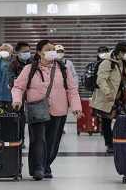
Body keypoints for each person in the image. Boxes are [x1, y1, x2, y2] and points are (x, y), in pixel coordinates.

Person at [12, 40, 82, 181]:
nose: (52, 51)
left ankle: (46, 165)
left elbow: (72, 90)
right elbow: (18, 87)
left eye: (53, 49)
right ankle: (38, 169)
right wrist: (17, 100)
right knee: (38, 140)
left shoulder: (63, 68)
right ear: (39, 52)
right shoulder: (29, 69)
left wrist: (76, 107)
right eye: (48, 49)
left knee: (52, 142)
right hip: (36, 109)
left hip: (59, 110)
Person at [91, 42, 126, 154]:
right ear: (120, 52)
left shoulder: (125, 62)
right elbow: (101, 79)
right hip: (108, 97)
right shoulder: (107, 62)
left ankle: (119, 141)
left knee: (121, 120)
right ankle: (109, 144)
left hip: (120, 96)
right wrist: (107, 92)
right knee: (106, 121)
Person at [9, 41, 33, 146]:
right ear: (17, 52)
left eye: (28, 51)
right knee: (20, 118)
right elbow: (11, 80)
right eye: (24, 51)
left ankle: (34, 141)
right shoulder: (13, 64)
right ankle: (20, 139)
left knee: (34, 118)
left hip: (33, 94)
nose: (27, 53)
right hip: (19, 95)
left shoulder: (33, 62)